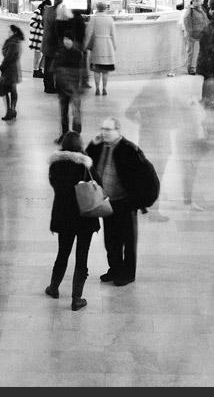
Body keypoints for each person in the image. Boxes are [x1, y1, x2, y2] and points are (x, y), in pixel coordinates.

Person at [89, 117, 158, 285]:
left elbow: (149, 177)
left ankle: (128, 274)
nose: (103, 132)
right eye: (102, 129)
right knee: (110, 240)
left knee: (127, 240)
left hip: (125, 203)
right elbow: (87, 161)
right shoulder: (100, 147)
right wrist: (92, 143)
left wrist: (140, 201)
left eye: (108, 129)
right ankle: (115, 269)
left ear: (118, 131)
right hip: (107, 202)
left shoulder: (130, 149)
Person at [44, 131, 99, 310]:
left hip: (64, 216)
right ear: (79, 145)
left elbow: (54, 185)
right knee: (81, 258)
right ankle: (76, 299)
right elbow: (99, 185)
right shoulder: (86, 165)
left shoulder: (55, 166)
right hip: (85, 218)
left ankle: (54, 288)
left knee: (62, 254)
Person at [49, 27, 90, 136]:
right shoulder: (60, 52)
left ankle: (76, 136)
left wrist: (82, 86)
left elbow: (84, 71)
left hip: (74, 89)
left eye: (69, 39)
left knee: (76, 113)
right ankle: (64, 135)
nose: (66, 41)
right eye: (65, 39)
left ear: (73, 40)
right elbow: (54, 69)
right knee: (63, 113)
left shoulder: (78, 54)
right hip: (62, 89)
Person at [86, 2, 117, 96]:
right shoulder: (110, 19)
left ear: (97, 8)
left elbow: (88, 32)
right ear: (105, 8)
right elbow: (113, 34)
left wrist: (85, 44)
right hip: (107, 46)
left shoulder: (94, 18)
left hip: (97, 46)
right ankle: (104, 88)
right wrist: (114, 46)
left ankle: (97, 88)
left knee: (97, 70)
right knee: (105, 70)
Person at [0, 24, 24, 122]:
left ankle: (10, 111)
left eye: (9, 31)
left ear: (14, 32)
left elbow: (8, 57)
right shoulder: (16, 42)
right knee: (12, 90)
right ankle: (12, 110)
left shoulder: (12, 43)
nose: (8, 33)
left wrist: (2, 66)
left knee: (6, 91)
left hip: (9, 70)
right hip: (13, 70)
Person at [182, 0, 209, 74]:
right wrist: (190, 33)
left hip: (202, 35)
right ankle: (191, 68)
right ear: (192, 2)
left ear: (202, 1)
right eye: (195, 1)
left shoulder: (202, 10)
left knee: (200, 52)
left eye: (198, 0)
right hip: (193, 36)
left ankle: (198, 67)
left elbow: (206, 21)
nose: (197, 2)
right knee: (192, 52)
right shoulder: (191, 10)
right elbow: (186, 21)